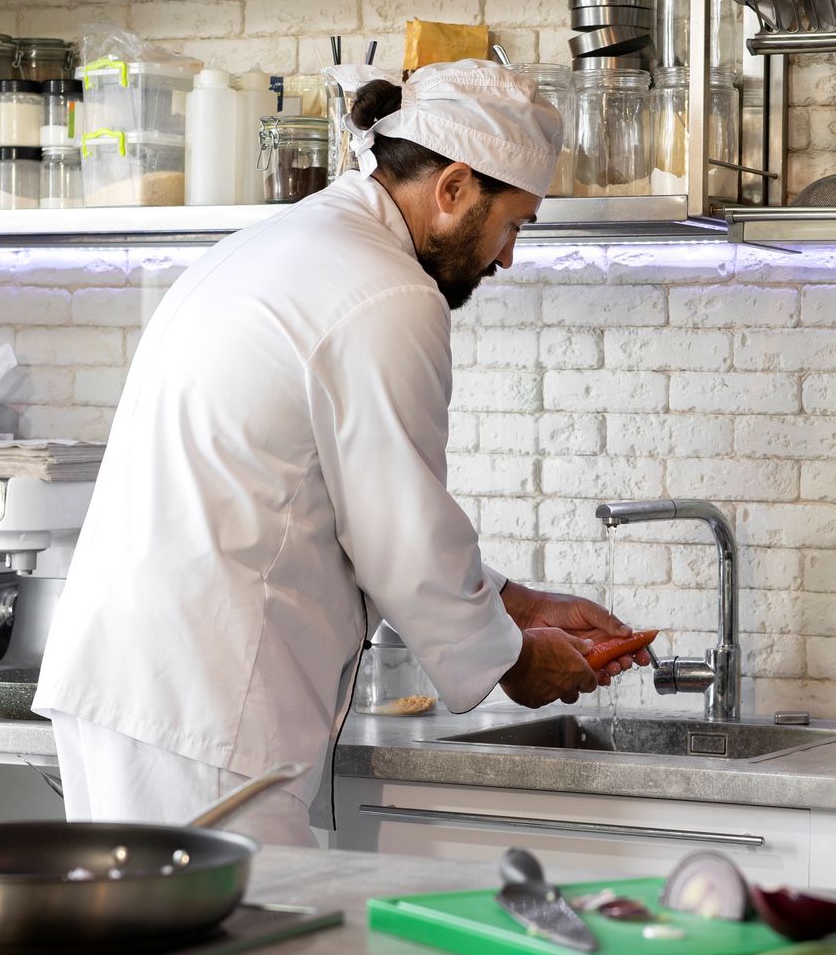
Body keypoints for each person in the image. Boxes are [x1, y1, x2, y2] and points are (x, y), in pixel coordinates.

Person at [34, 60, 650, 843]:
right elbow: (403, 546)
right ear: (455, 187)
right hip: (209, 709)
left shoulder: (286, 243)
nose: (507, 258)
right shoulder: (387, 292)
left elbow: (353, 509)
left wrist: (517, 605)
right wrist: (521, 665)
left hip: (132, 688)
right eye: (514, 223)